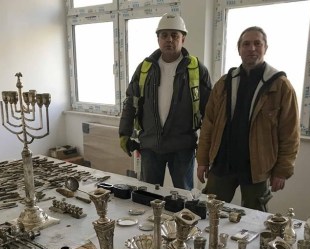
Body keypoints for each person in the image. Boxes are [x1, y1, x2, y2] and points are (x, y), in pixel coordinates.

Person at [196, 26, 300, 211]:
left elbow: (290, 133)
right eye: (246, 44)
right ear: (239, 49)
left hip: (256, 167)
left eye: (257, 43)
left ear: (265, 48)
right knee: (208, 211)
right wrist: (202, 160)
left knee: (256, 219)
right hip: (223, 162)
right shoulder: (224, 83)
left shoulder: (281, 86)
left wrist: (282, 172)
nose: (252, 48)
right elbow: (209, 124)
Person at [119, 13, 212, 190]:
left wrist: (206, 148)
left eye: (174, 35)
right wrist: (124, 133)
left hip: (182, 147)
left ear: (183, 39)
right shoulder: (145, 68)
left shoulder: (196, 69)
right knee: (148, 196)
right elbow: (131, 102)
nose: (169, 39)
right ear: (158, 39)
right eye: (164, 35)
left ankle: (182, 219)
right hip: (150, 146)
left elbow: (210, 112)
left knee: (184, 196)